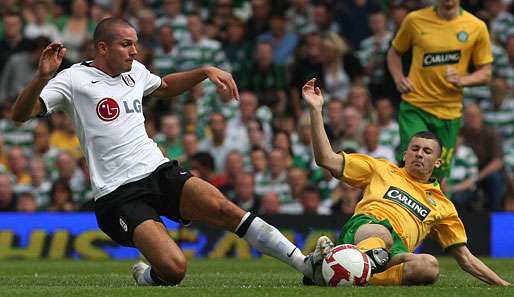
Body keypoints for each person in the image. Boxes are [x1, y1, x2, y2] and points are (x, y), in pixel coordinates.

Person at [11, 18, 331, 287]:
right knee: (174, 269)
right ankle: (147, 275)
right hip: (118, 194)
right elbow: (20, 115)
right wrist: (41, 78)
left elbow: (163, 86)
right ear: (103, 48)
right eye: (126, 44)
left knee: (226, 209)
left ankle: (307, 267)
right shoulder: (72, 79)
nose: (134, 50)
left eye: (135, 43)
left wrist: (204, 71)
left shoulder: (134, 71)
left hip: (158, 171)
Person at [302, 78, 510, 286]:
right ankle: (352, 262)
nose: (419, 154)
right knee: (381, 233)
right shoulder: (380, 168)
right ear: (405, 153)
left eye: (427, 151)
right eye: (415, 149)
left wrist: (503, 285)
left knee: (429, 266)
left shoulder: (443, 206)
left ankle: (338, 270)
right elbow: (326, 159)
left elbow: (466, 259)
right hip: (366, 228)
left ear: (438, 162)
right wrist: (316, 110)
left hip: (395, 253)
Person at [387, 0, 493, 178]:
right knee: (414, 163)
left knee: (438, 173)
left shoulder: (476, 26)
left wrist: (462, 80)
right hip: (416, 105)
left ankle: (438, 206)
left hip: (449, 112)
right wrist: (399, 78)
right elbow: (394, 52)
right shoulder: (415, 19)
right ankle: (402, 205)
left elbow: (486, 73)